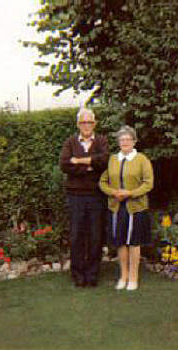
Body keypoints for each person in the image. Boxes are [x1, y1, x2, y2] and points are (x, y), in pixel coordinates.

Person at [99, 125, 154, 291]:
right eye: (122, 139)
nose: (125, 142)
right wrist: (113, 192)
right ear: (118, 142)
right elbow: (102, 182)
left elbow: (148, 183)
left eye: (128, 139)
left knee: (134, 242)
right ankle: (123, 276)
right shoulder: (112, 159)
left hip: (135, 207)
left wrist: (130, 193)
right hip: (117, 207)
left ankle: (133, 278)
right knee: (121, 243)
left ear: (134, 141)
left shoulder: (142, 159)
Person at [59, 108, 109, 287]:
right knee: (77, 235)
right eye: (83, 122)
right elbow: (64, 164)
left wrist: (79, 161)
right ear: (78, 124)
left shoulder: (102, 140)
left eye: (89, 122)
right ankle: (78, 275)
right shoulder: (70, 142)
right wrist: (90, 165)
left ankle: (92, 274)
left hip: (97, 195)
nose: (86, 125)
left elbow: (104, 161)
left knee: (96, 235)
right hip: (76, 196)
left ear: (94, 124)